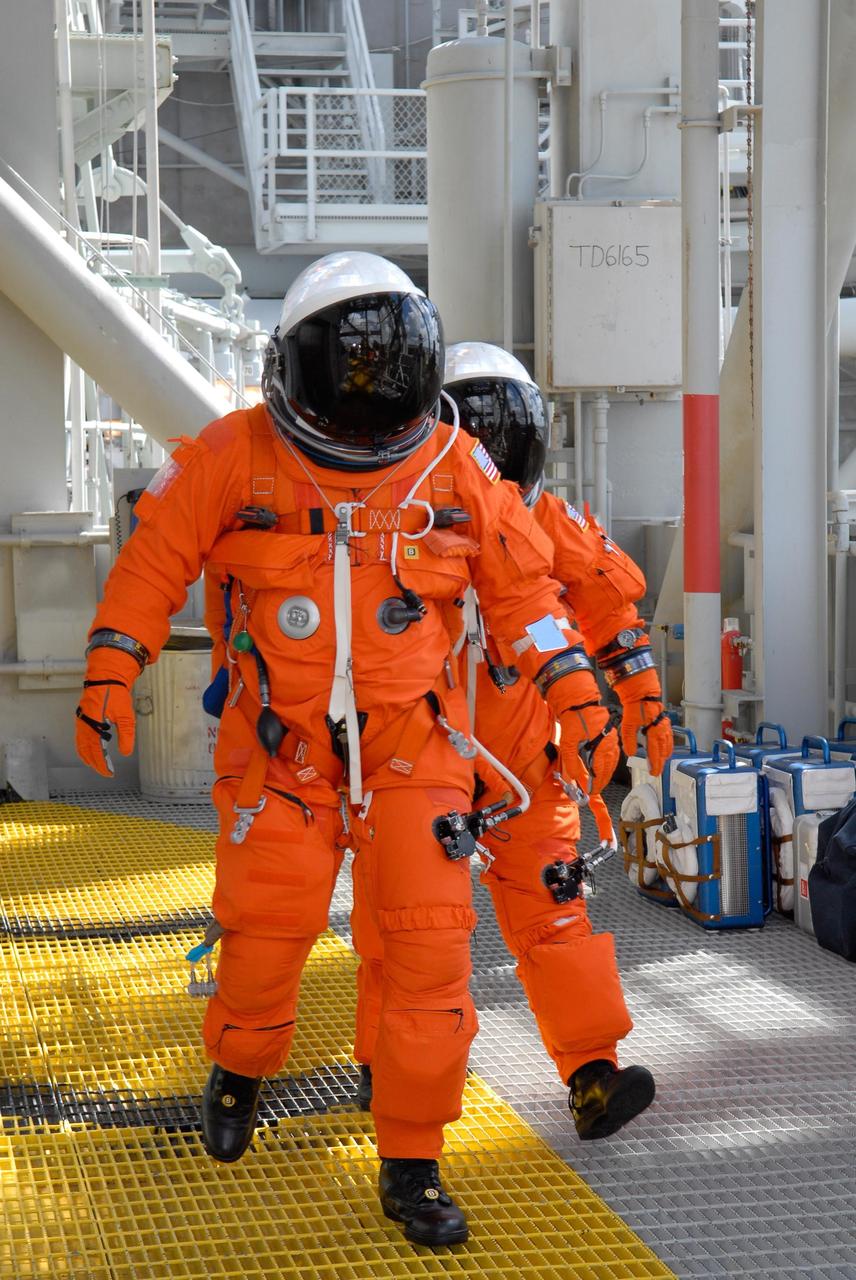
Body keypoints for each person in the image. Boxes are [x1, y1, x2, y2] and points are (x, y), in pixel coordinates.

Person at [74, 254, 620, 1249]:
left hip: (415, 750)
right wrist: (114, 662)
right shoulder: (229, 458)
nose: (369, 406)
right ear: (292, 371)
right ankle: (239, 1067)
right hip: (281, 754)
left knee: (428, 953)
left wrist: (574, 685)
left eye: (389, 376)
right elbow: (154, 561)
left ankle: (413, 1161)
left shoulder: (455, 467)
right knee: (264, 933)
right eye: (348, 376)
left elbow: (527, 599)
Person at [352, 342, 671, 1140]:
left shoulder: (550, 527)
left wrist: (644, 703)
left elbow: (610, 615)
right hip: (415, 764)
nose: (494, 458)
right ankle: (385, 1063)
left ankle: (593, 1070)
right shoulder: (394, 527)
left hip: (527, 766)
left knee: (556, 914)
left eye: (509, 435)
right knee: (403, 926)